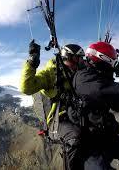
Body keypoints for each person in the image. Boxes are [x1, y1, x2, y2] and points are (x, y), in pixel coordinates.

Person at [72, 41, 119, 170]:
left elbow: (118, 103)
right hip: (90, 145)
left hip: (106, 137)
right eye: (112, 61)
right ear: (103, 59)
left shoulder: (96, 76)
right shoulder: (84, 79)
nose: (113, 66)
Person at [20, 40, 86, 170]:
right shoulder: (51, 73)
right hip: (57, 121)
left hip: (74, 115)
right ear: (67, 58)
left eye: (81, 59)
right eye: (77, 59)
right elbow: (26, 87)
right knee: (74, 137)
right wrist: (32, 62)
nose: (80, 63)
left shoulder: (77, 74)